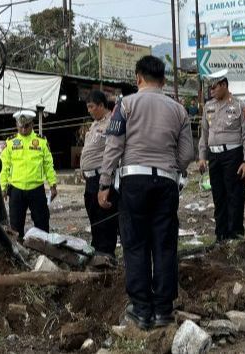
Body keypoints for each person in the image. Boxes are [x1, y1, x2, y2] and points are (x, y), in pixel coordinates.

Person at [98, 55, 194, 330]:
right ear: (163, 81)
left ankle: (141, 310)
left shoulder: (125, 105)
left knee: (135, 244)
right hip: (165, 182)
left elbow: (113, 147)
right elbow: (187, 153)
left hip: (133, 183)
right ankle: (163, 311)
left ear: (138, 78)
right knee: (164, 245)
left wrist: (105, 184)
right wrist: (169, 168)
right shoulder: (179, 110)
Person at [197, 69, 245, 243]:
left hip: (233, 155)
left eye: (214, 87)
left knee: (234, 195)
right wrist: (202, 156)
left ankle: (235, 233)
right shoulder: (209, 106)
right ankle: (220, 235)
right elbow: (204, 134)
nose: (211, 91)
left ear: (224, 85)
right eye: (210, 88)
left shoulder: (240, 105)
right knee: (218, 196)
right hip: (214, 157)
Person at [0, 110, 58, 239]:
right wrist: (3, 187)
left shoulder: (41, 142)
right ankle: (19, 252)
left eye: (26, 126)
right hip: (16, 190)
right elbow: (4, 167)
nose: (24, 129)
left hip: (36, 189)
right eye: (21, 126)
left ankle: (43, 251)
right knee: (15, 225)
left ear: (32, 125)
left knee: (42, 223)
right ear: (16, 125)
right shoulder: (10, 143)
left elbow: (48, 165)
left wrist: (53, 185)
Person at [80, 90, 118, 257]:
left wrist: (106, 181)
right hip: (90, 179)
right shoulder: (95, 124)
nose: (89, 110)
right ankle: (97, 251)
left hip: (102, 178)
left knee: (104, 218)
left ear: (102, 105)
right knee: (94, 217)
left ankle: (106, 254)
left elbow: (113, 151)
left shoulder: (112, 123)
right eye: (87, 107)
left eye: (91, 107)